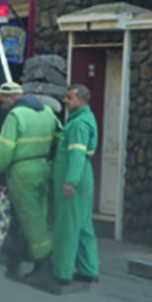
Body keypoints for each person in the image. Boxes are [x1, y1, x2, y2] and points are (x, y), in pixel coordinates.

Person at [0, 82, 60, 283]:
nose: (2, 107)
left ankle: (44, 263)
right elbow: (59, 137)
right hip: (44, 168)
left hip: (22, 172)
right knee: (40, 215)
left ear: (12, 98)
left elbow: (4, 152)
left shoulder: (15, 116)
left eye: (3, 102)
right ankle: (17, 260)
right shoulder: (47, 111)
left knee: (30, 218)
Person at [49, 84, 99, 286]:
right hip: (84, 179)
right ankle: (89, 270)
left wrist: (70, 182)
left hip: (74, 180)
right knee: (84, 226)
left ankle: (62, 273)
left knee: (67, 227)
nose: (66, 101)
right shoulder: (84, 119)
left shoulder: (78, 125)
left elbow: (77, 155)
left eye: (70, 98)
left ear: (81, 101)